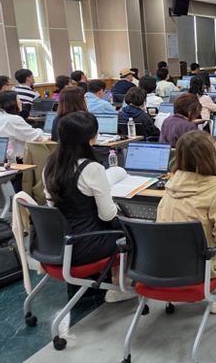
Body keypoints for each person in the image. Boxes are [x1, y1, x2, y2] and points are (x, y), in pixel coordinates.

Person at [156, 130, 216, 314]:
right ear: (210, 156)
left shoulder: (171, 185)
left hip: (167, 264)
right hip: (200, 266)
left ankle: (215, 290)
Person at [42, 111, 131, 302]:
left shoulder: (50, 165)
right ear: (90, 137)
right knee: (131, 232)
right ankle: (118, 286)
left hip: (57, 244)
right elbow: (107, 215)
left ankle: (106, 282)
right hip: (86, 245)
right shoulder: (91, 168)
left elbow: (52, 205)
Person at [0, 91, 44, 160]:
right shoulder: (13, 119)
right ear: (12, 103)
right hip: (5, 160)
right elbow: (34, 136)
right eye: (18, 99)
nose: (21, 102)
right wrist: (42, 132)